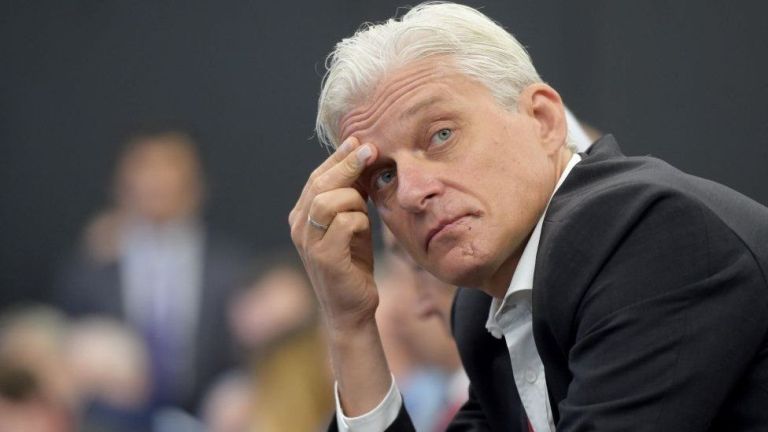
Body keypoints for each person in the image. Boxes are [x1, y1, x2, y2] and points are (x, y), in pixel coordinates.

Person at [288, 3, 768, 431]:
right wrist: (350, 325)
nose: (413, 192)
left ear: (543, 119)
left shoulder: (647, 234)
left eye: (441, 135)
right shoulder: (484, 310)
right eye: (385, 176)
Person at [55, 127, 250, 413]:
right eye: (145, 166)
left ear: (197, 184)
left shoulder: (232, 269)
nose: (158, 179)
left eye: (170, 165)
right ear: (120, 185)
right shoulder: (92, 266)